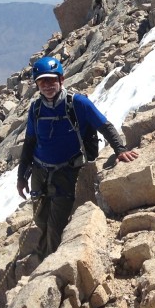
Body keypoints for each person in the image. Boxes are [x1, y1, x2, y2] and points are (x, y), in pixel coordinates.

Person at [16, 55, 139, 258]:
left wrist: (120, 149)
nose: (47, 85)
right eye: (42, 81)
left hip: (66, 172)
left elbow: (104, 126)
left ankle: (50, 266)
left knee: (56, 224)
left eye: (52, 80)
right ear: (37, 85)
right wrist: (22, 177)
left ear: (61, 80)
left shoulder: (78, 103)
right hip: (39, 172)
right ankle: (44, 252)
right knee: (40, 219)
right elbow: (30, 142)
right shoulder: (36, 108)